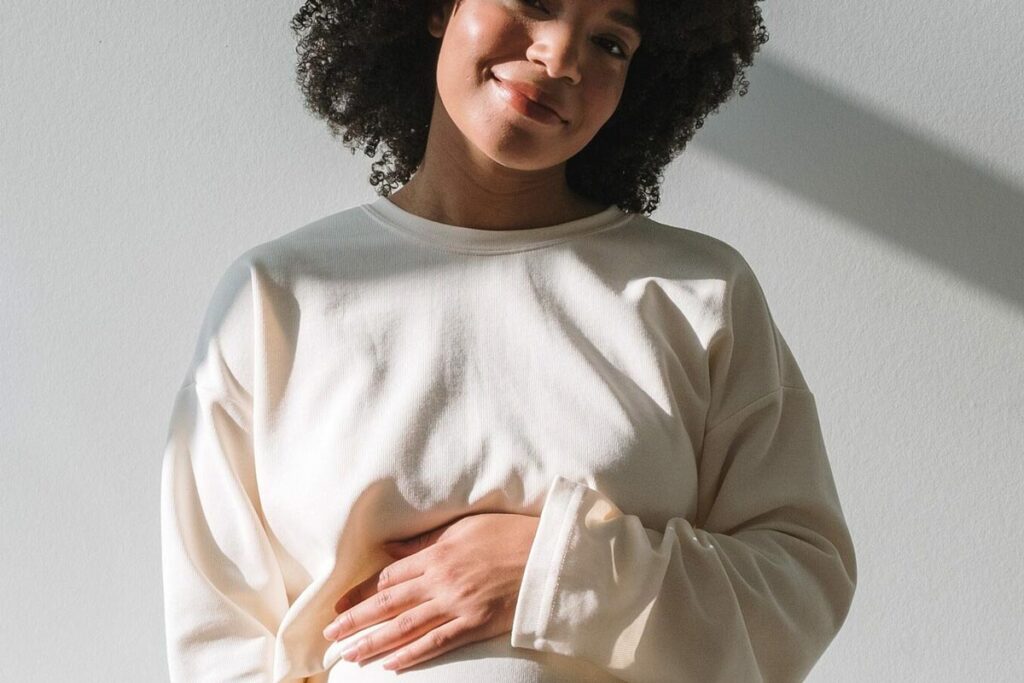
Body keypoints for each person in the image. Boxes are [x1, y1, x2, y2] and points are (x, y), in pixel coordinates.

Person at [159, 0, 858, 681]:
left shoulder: (695, 292)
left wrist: (553, 567)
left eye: (611, 43)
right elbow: (220, 642)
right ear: (438, 8)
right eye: (533, 1)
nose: (560, 57)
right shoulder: (278, 296)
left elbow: (798, 587)